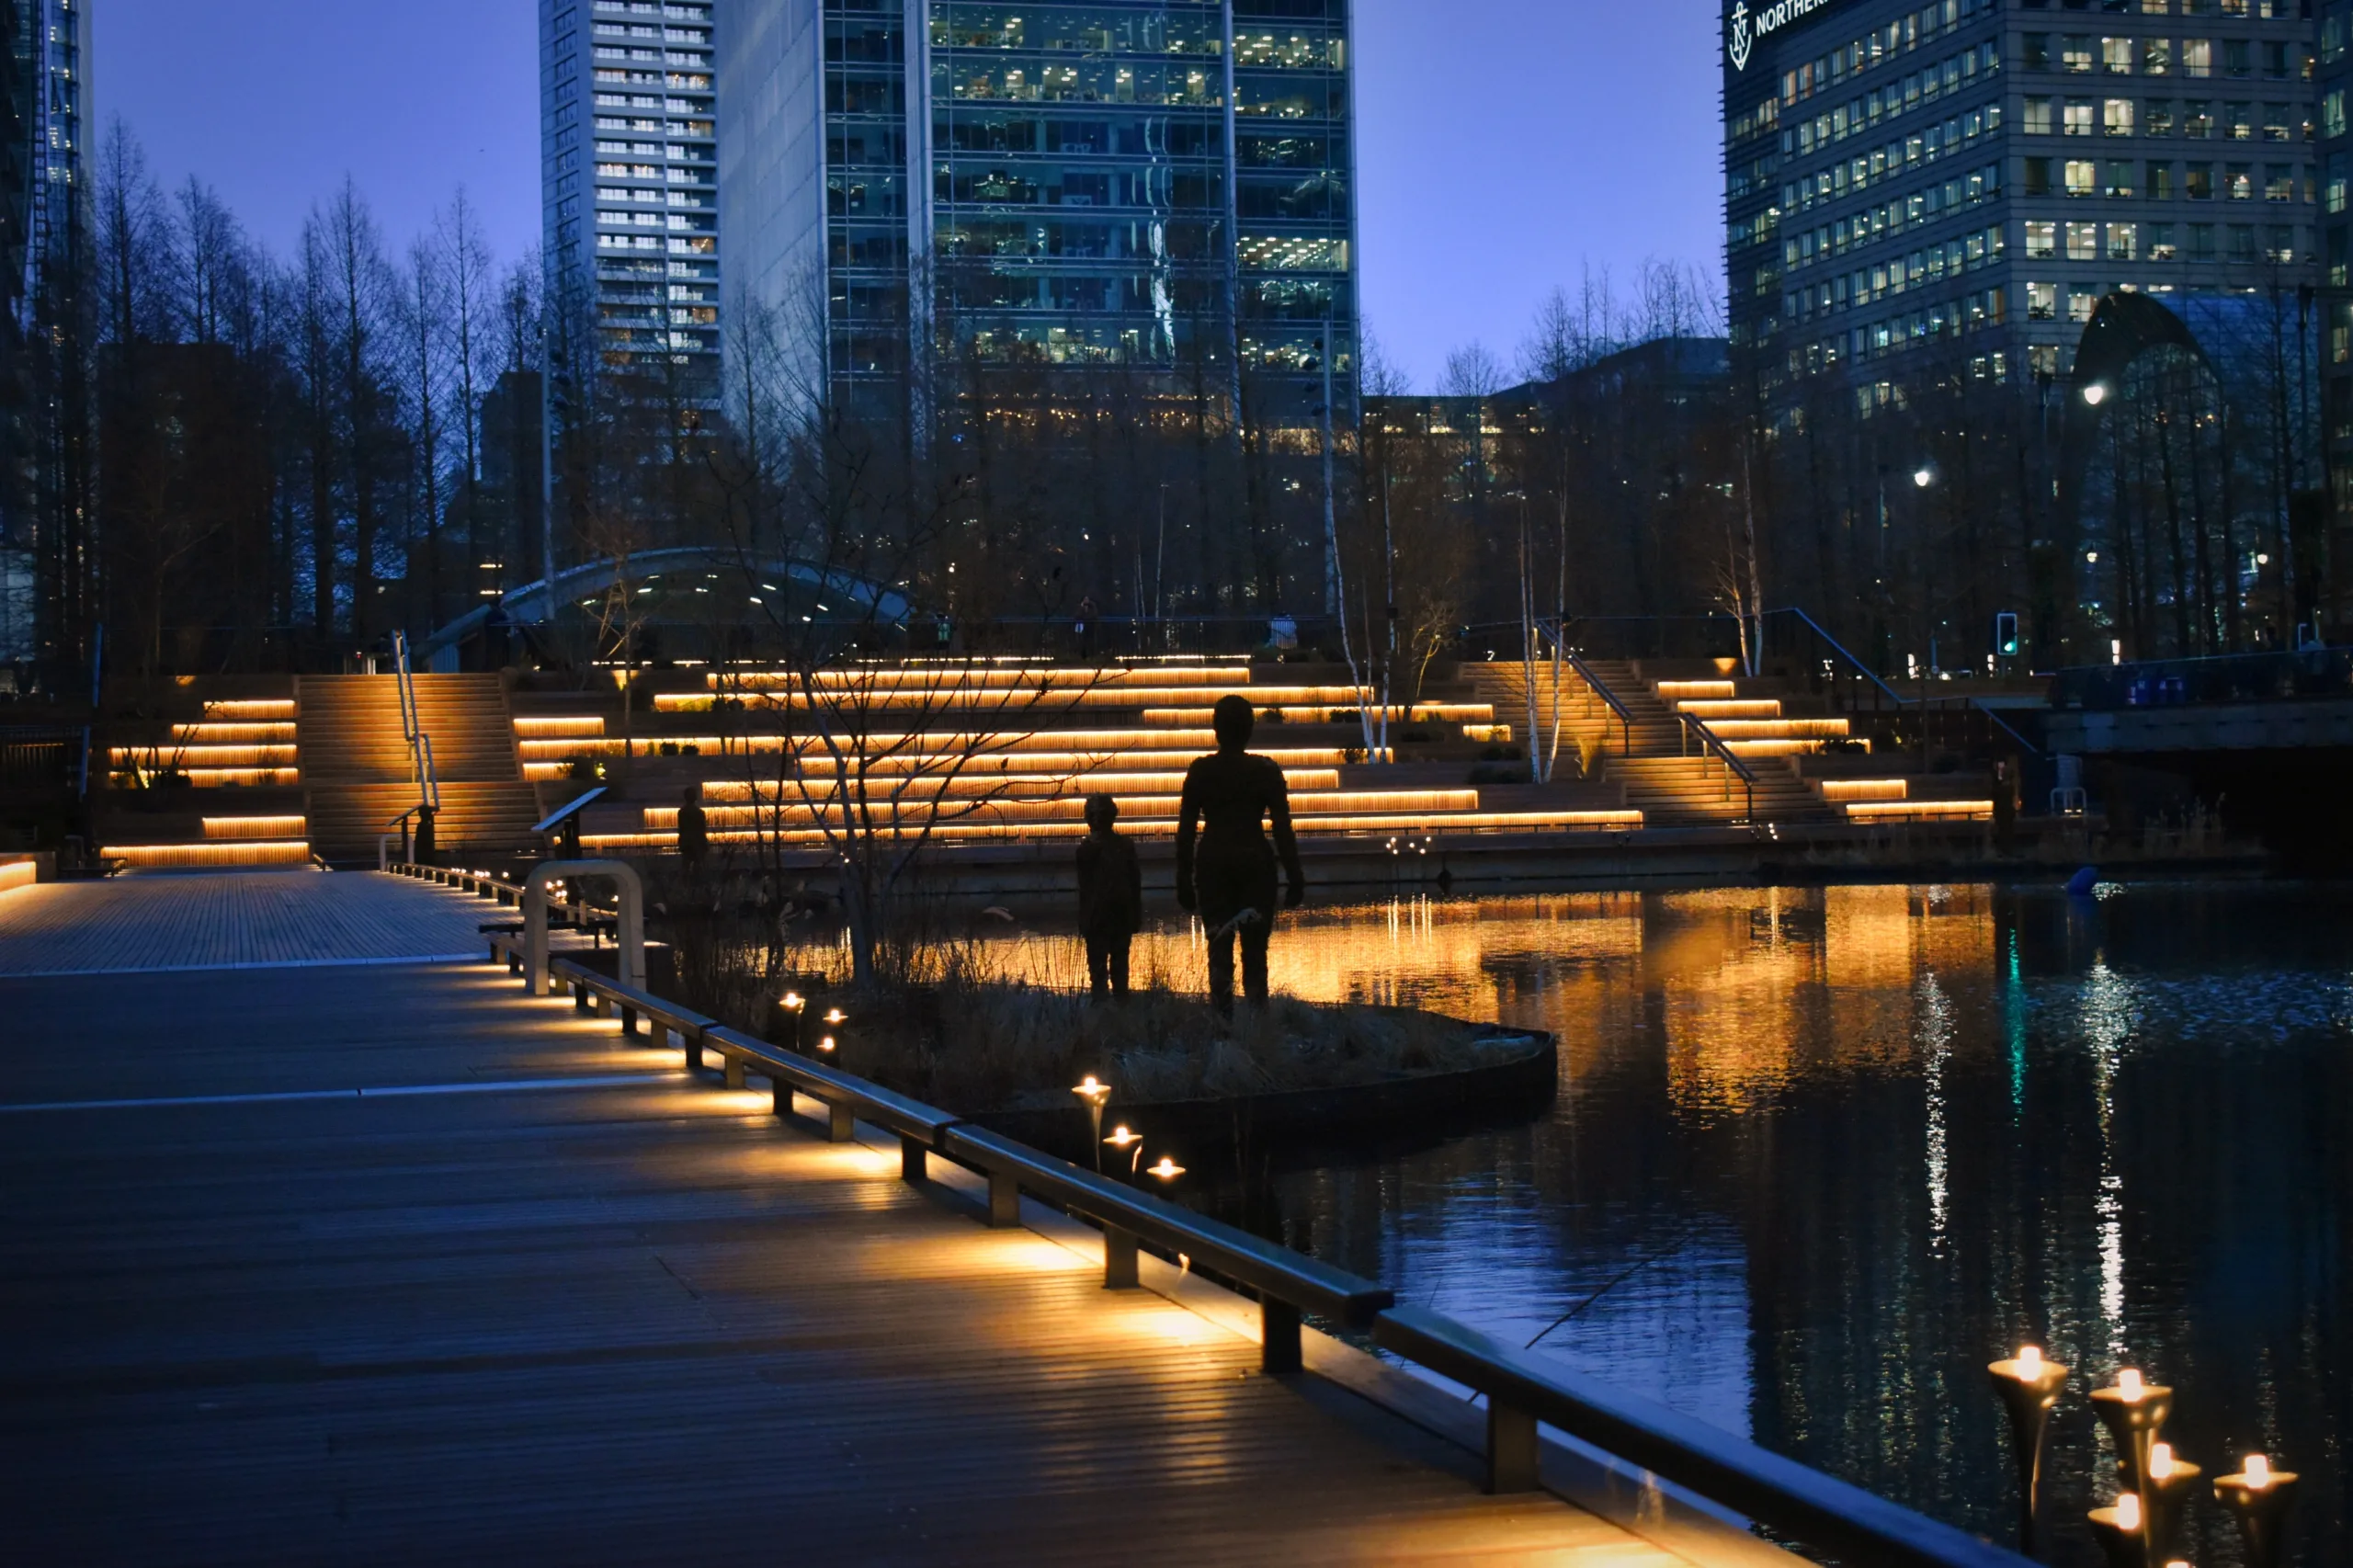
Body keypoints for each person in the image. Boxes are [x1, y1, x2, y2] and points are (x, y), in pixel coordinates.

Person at [1176, 694, 1304, 1016]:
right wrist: (1295, 875)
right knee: (1255, 953)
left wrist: (1183, 877)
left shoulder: (1201, 771)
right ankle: (1257, 1023)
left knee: (1219, 950)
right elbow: (1282, 828)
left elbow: (1186, 830)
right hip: (1255, 864)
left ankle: (1224, 1026)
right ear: (1249, 729)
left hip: (1213, 864)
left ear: (1216, 729)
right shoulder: (1265, 771)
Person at [1074, 793, 1141, 1000]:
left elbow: (1084, 889)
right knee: (1119, 972)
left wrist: (1084, 920)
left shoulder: (1086, 850)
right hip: (1119, 914)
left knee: (1099, 974)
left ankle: (1103, 1015)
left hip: (1098, 917)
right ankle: (1121, 1013)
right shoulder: (1125, 846)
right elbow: (1135, 884)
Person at [677, 785, 710, 876]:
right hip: (698, 844)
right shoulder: (700, 813)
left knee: (685, 869)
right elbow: (702, 829)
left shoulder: (682, 812)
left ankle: (686, 886)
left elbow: (681, 829)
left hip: (686, 844)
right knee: (699, 869)